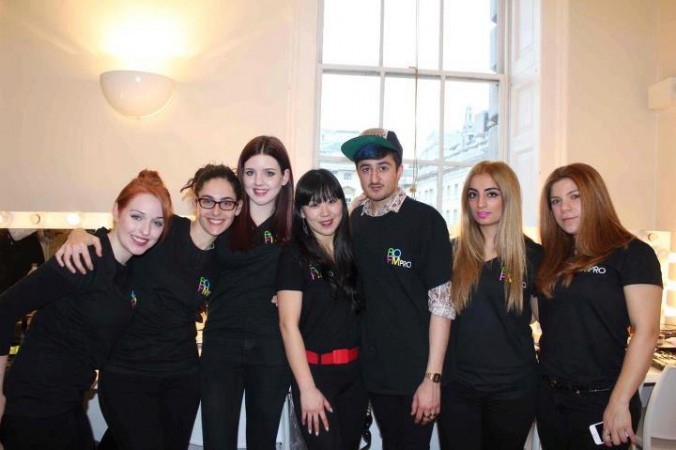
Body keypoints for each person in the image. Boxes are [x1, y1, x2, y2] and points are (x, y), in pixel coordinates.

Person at [54, 164, 243, 450]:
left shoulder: (223, 258)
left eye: (226, 203)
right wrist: (79, 233)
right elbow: (114, 237)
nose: (216, 211)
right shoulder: (165, 229)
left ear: (237, 208)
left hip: (182, 377)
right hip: (127, 372)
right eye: (208, 201)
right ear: (195, 201)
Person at [0, 170, 171, 450]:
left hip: (68, 403)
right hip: (33, 406)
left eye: (157, 223)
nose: (145, 230)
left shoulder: (127, 270)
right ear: (116, 211)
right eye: (136, 217)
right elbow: (5, 308)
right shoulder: (82, 258)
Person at [340, 128, 455, 449]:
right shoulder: (354, 223)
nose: (374, 177)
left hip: (416, 374)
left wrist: (432, 379)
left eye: (383, 167)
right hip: (372, 373)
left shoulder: (426, 221)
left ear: (399, 170)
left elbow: (443, 304)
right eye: (366, 168)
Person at [535, 163, 662, 450]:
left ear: (595, 197)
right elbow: (546, 318)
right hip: (551, 398)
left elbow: (647, 331)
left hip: (602, 399)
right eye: (556, 201)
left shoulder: (633, 254)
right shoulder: (551, 258)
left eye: (575, 196)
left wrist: (619, 402)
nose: (564, 208)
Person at [436, 161, 541, 450]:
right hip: (458, 388)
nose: (480, 203)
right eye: (473, 194)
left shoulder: (533, 256)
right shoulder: (450, 253)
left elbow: (551, 321)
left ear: (508, 198)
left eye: (491, 194)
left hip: (514, 391)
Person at [201, 136, 294, 450]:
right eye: (250, 172)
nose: (259, 182)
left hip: (271, 349)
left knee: (262, 442)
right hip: (221, 346)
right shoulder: (222, 217)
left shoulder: (297, 228)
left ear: (285, 177)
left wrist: (299, 296)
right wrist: (84, 234)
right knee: (217, 441)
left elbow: (326, 272)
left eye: (269, 173)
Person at [277, 169, 368, 449]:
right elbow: (288, 326)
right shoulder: (294, 255)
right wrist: (307, 389)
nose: (325, 212)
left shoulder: (352, 250)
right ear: (301, 212)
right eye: (314, 204)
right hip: (315, 376)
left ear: (342, 203)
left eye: (331, 201)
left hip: (356, 377)